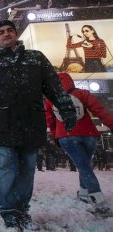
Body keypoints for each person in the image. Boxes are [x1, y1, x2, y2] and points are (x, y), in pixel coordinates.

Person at [0, 20, 77, 229]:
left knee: (27, 170)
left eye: (10, 30)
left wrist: (67, 109)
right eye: (1, 32)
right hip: (0, 124)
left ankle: (22, 210)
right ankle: (9, 212)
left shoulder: (35, 59)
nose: (6, 34)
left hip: (31, 123)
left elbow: (54, 87)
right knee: (6, 168)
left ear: (16, 34)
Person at [45, 72, 113, 216]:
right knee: (85, 165)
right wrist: (111, 124)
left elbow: (50, 119)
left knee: (83, 166)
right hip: (89, 134)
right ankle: (83, 194)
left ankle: (99, 201)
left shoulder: (51, 99)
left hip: (66, 136)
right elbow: (99, 110)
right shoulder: (82, 93)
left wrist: (54, 135)